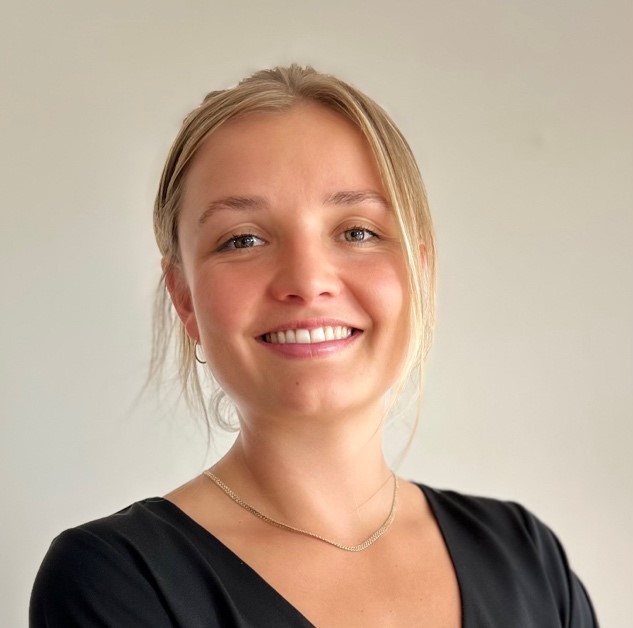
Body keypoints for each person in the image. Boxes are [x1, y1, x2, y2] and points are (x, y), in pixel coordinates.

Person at [30, 65, 598, 627]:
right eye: (243, 240)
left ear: (419, 273)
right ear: (184, 298)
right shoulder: (117, 580)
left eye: (357, 232)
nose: (306, 280)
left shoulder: (526, 557)